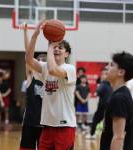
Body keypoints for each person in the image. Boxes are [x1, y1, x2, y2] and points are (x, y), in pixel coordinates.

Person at [25, 21, 76, 150]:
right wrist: (35, 36)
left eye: (60, 47)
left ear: (67, 54)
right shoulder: (44, 68)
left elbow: (53, 70)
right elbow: (29, 60)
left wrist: (50, 45)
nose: (56, 48)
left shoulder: (69, 68)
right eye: (55, 46)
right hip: (47, 126)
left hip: (65, 126)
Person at [100, 51, 133, 150]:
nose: (106, 67)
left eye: (111, 65)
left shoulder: (120, 98)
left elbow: (118, 137)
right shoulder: (120, 94)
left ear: (121, 72)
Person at [20, 23, 44, 150]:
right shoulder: (31, 77)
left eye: (42, 61)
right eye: (38, 60)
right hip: (29, 122)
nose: (39, 62)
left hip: (46, 124)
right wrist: (25, 33)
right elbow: (28, 55)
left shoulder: (50, 78)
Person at [85, 67, 112, 139]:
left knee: (95, 119)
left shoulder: (103, 84)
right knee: (108, 121)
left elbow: (96, 93)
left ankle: (92, 134)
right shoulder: (112, 83)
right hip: (110, 106)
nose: (103, 76)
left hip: (103, 106)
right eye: (102, 74)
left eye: (105, 74)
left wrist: (97, 91)